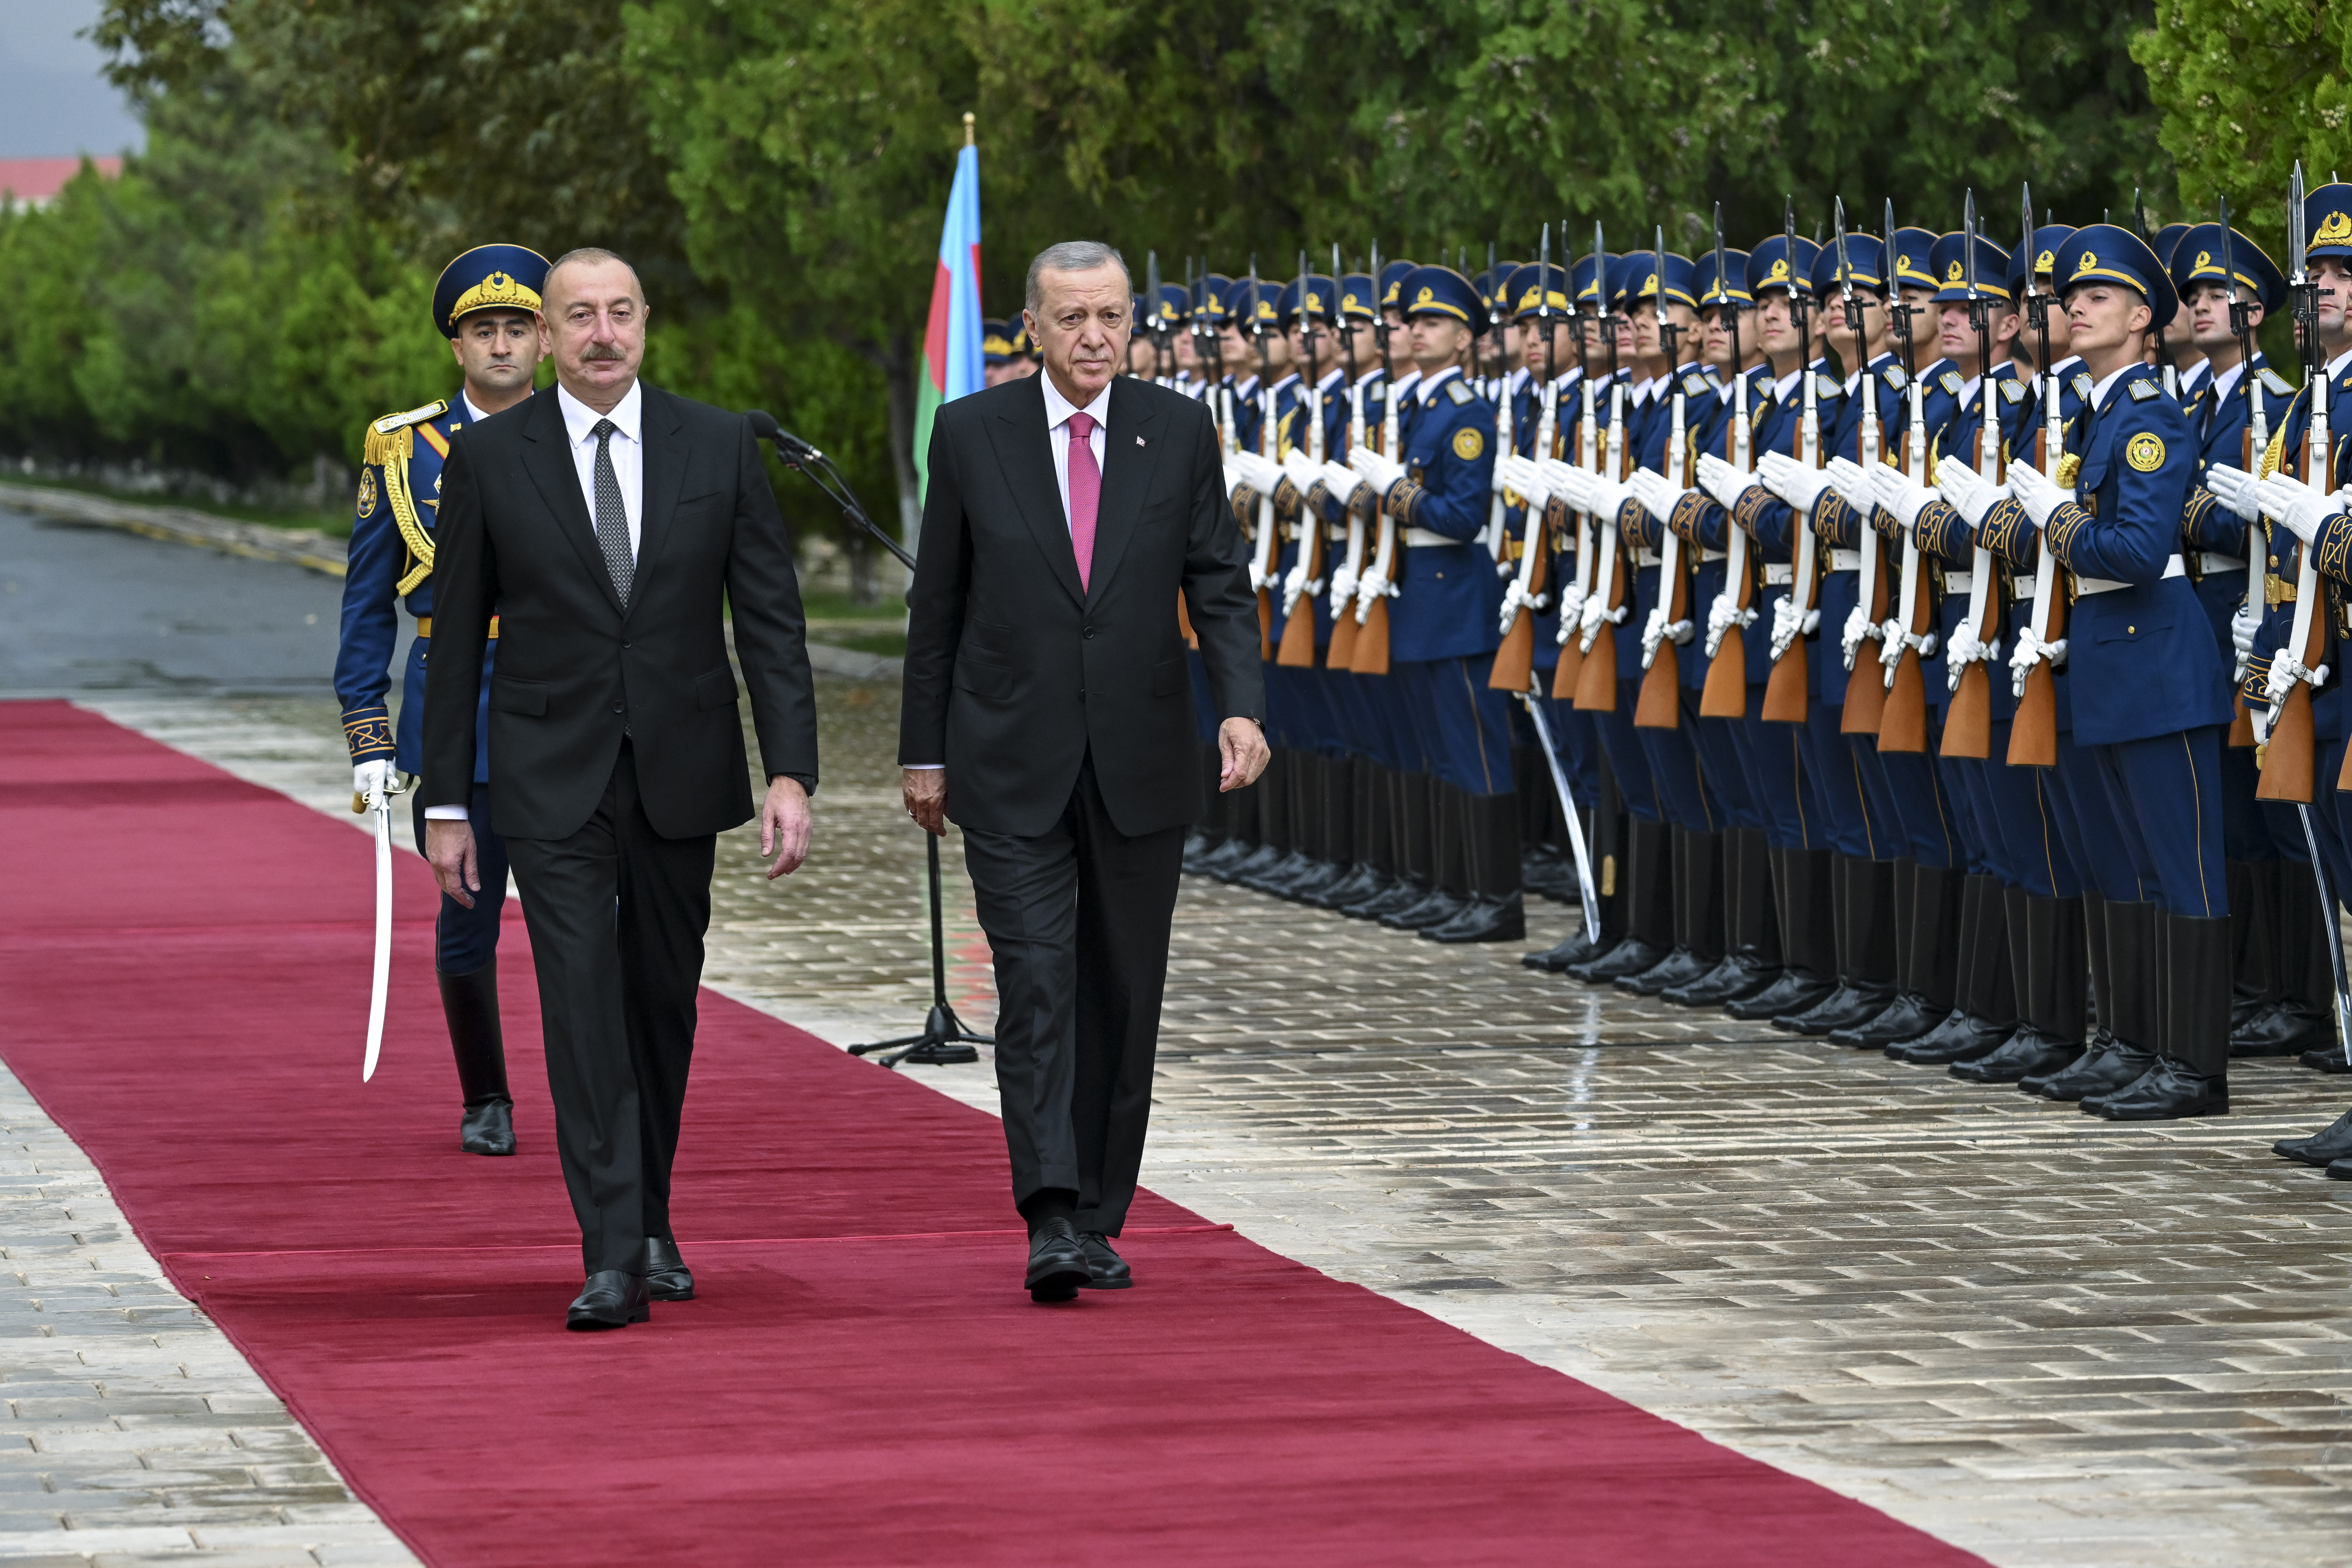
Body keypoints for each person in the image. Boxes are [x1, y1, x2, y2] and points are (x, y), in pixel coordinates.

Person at [419, 247, 819, 1329]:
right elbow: (452, 639)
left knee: (659, 998)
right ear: (547, 335)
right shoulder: (490, 457)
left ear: (646, 324)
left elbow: (770, 623)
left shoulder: (720, 444)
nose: (603, 334)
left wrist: (790, 770)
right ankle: (610, 1252)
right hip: (548, 774)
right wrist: (446, 802)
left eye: (621, 313)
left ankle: (649, 1217)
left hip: (681, 768)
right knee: (580, 997)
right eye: (580, 315)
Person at [900, 239, 1268, 1302]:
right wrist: (923, 750)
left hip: (1139, 758)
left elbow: (1218, 580)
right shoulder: (972, 432)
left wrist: (1241, 705)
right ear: (1032, 326)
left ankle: (1101, 1210)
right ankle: (1051, 1210)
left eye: (1111, 315)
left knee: (1122, 987)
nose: (1094, 336)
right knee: (1035, 980)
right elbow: (938, 606)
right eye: (1072, 318)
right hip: (1007, 759)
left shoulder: (1177, 429)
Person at [334, 244, 548, 1158]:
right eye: (482, 330)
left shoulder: (587, 433)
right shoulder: (405, 446)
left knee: (599, 917)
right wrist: (369, 734)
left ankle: (600, 1089)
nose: (500, 345)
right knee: (468, 915)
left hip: (569, 703)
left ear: (543, 340)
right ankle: (486, 1094)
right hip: (460, 711)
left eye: (516, 328)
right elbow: (366, 601)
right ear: (457, 346)